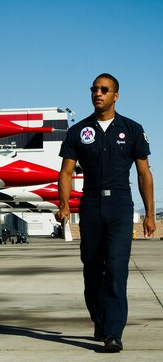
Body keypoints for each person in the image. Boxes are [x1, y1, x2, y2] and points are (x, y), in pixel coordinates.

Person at [56, 73, 155, 353]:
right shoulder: (79, 132)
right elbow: (65, 172)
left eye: (104, 89)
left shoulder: (132, 129)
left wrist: (149, 213)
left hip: (120, 206)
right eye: (94, 89)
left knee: (116, 269)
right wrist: (64, 205)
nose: (97, 93)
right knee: (91, 269)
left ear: (116, 95)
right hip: (90, 205)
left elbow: (144, 173)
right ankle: (100, 320)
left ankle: (113, 332)